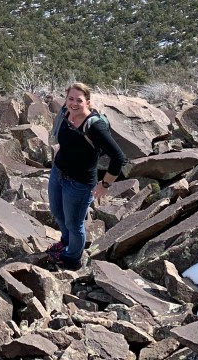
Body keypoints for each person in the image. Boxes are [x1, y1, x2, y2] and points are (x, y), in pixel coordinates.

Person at [46, 82, 126, 270]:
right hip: (58, 173)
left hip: (79, 184)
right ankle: (66, 242)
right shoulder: (66, 113)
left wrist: (105, 184)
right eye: (70, 99)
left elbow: (119, 157)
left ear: (87, 102)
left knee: (74, 224)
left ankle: (72, 258)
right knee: (57, 212)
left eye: (79, 100)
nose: (74, 103)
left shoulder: (95, 126)